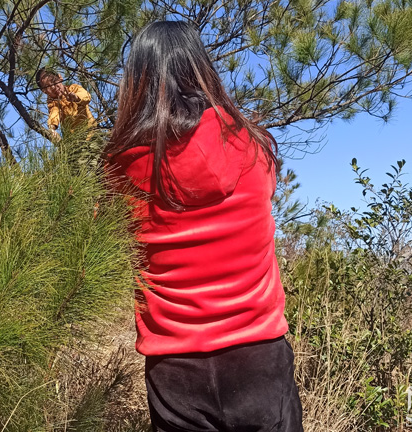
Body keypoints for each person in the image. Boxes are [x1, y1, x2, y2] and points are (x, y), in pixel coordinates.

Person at [102, 21, 303, 432]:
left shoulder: (118, 169)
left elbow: (101, 239)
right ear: (201, 71)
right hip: (260, 355)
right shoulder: (254, 146)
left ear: (137, 81)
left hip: (174, 369)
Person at [36, 69, 102, 170]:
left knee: (102, 165)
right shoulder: (53, 102)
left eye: (54, 81)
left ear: (60, 77)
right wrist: (52, 128)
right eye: (48, 86)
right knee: (81, 172)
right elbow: (54, 113)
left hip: (92, 135)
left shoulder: (73, 88)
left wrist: (76, 98)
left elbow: (86, 96)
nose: (54, 87)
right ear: (44, 91)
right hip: (76, 144)